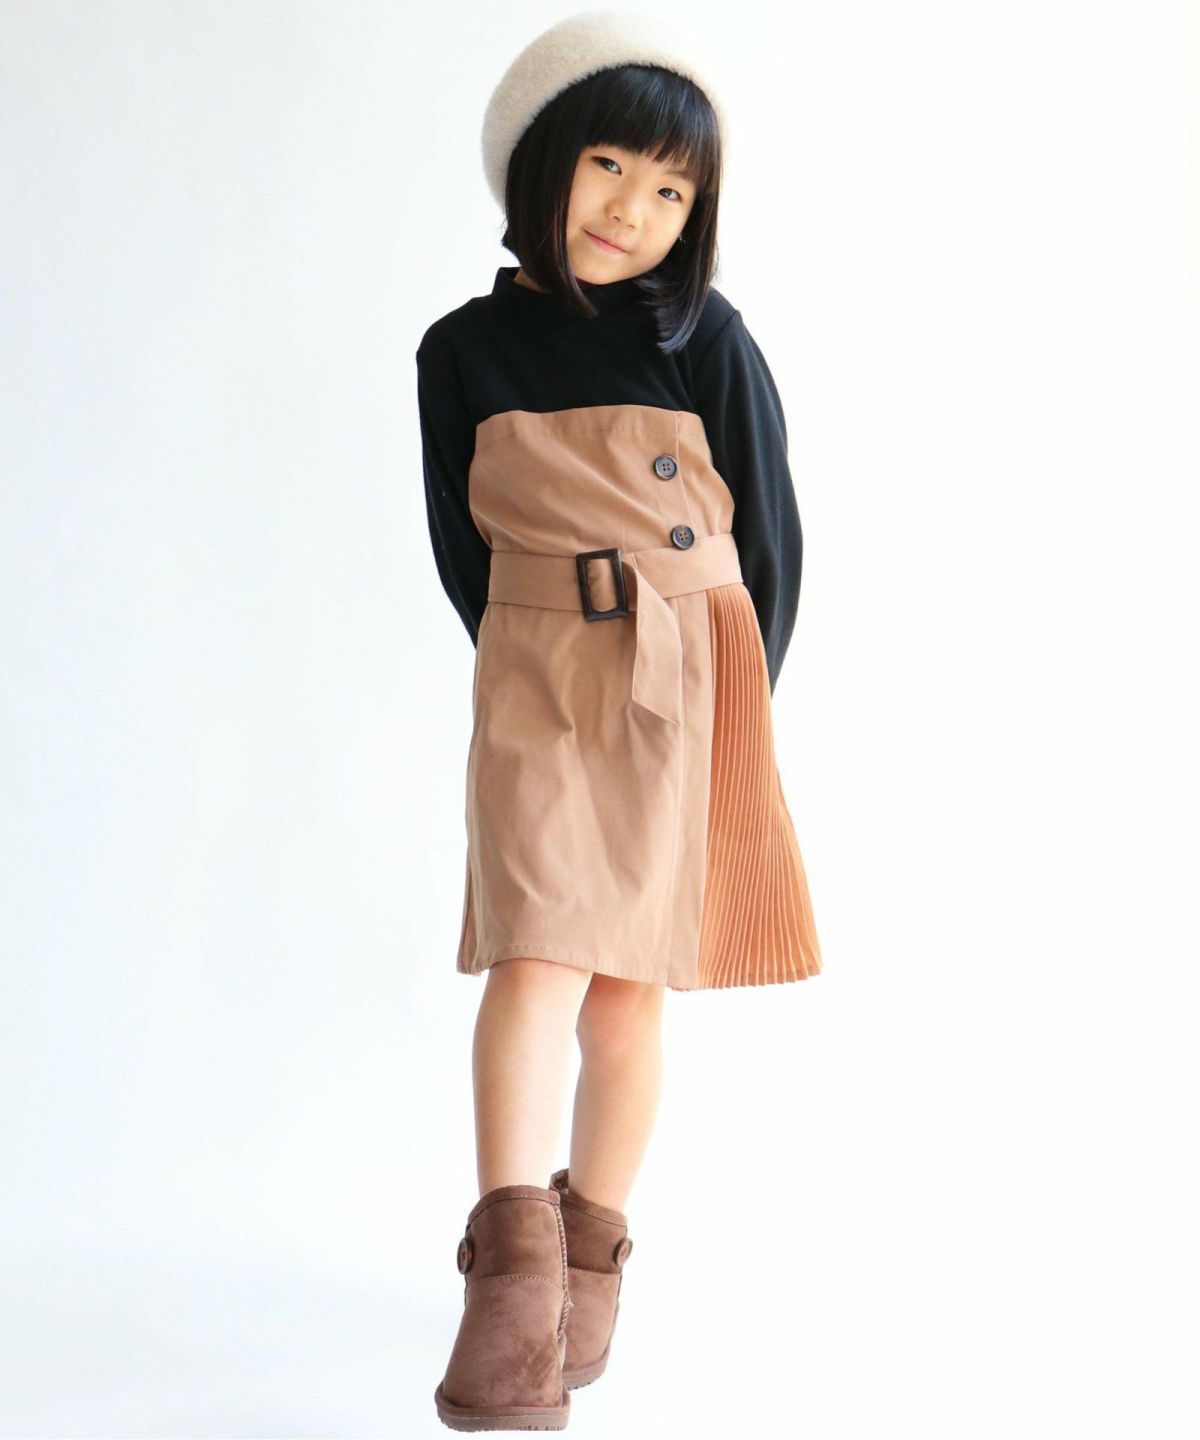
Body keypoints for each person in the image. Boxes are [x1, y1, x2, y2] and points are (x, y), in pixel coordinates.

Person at [416, 10, 823, 1431]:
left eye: (670, 189)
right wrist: (535, 657)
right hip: (536, 674)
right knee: (532, 957)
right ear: (540, 160)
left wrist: (733, 706)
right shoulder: (461, 350)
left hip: (690, 678)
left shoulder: (704, 336)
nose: (632, 210)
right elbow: (460, 549)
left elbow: (769, 541)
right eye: (607, 166)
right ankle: (511, 1292)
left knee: (627, 991)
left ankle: (590, 1270)